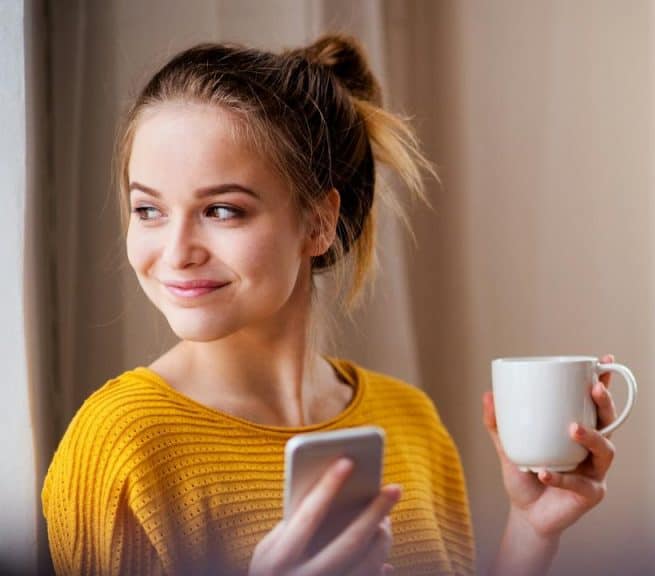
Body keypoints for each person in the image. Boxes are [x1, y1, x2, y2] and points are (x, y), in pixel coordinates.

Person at [40, 34, 620, 576]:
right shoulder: (121, 446)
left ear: (318, 223)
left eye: (221, 210)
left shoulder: (412, 424)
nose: (175, 252)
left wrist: (531, 533)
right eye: (149, 210)